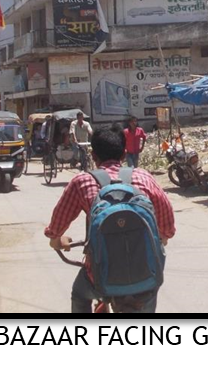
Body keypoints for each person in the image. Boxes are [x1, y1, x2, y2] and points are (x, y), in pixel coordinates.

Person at [45, 124, 176, 313]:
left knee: (80, 294)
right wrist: (163, 237)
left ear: (93, 156)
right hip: (145, 276)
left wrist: (56, 240)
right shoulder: (143, 177)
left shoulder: (82, 181)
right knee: (148, 292)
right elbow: (168, 224)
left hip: (100, 279)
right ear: (124, 155)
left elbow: (56, 227)